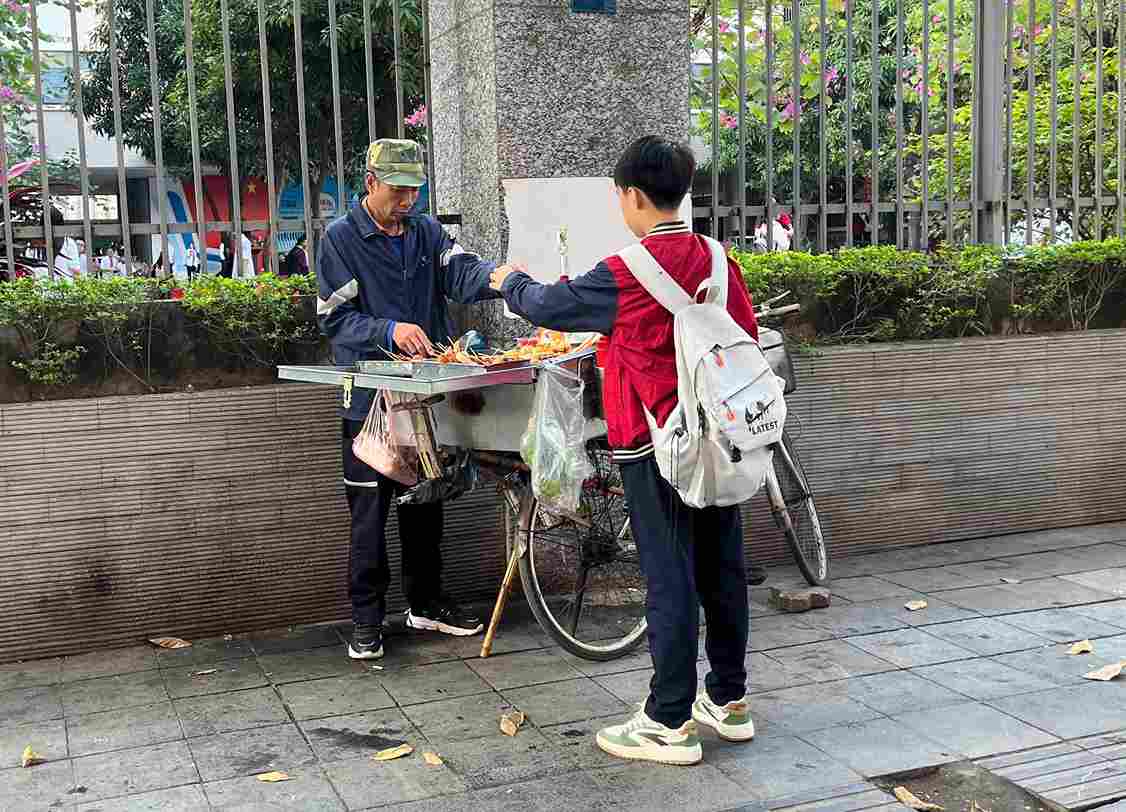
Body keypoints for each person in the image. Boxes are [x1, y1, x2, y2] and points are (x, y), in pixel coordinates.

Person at [489, 135, 757, 765]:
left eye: (618, 194)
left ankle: (668, 721)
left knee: (668, 574)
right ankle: (729, 698)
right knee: (722, 563)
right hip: (722, 439)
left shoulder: (626, 269)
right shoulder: (719, 259)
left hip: (656, 442)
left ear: (632, 196)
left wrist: (509, 279)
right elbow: (742, 336)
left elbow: (548, 305)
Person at [316, 138, 512, 661]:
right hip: (369, 404)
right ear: (372, 183)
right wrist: (390, 328)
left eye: (414, 192)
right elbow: (334, 319)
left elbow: (462, 270)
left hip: (425, 400)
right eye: (398, 191)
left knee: (426, 505)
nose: (407, 202)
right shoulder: (339, 239)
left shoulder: (426, 232)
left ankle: (425, 602)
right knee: (369, 512)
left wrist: (505, 281)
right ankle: (366, 619)